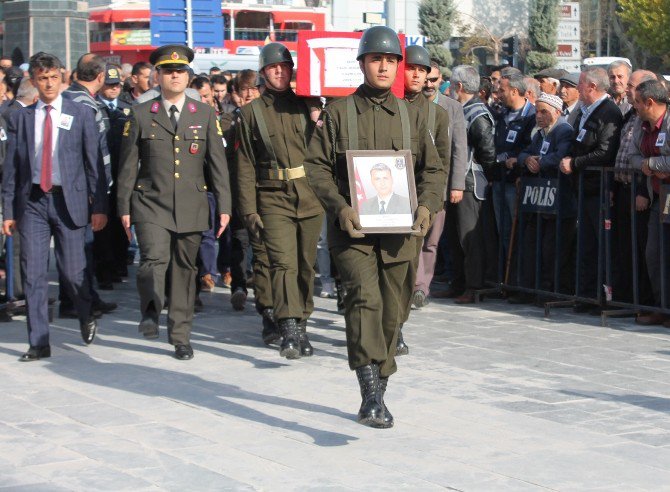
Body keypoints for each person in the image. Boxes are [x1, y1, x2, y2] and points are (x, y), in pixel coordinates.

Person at [305, 26, 444, 428]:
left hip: (401, 233)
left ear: (398, 67)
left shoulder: (413, 115)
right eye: (376, 59)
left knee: (392, 311)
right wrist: (340, 207)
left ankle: (379, 391)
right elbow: (316, 166)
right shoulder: (338, 111)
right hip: (354, 232)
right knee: (364, 301)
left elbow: (432, 170)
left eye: (390, 61)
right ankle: (369, 394)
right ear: (363, 64)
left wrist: (427, 207)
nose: (383, 67)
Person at [117, 44, 231, 360]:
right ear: (158, 75)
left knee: (184, 269)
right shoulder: (140, 114)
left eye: (180, 71)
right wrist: (123, 208)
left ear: (188, 76)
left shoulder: (205, 114)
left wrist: (224, 206)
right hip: (150, 203)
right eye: (169, 71)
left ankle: (180, 335)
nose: (175, 76)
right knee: (153, 262)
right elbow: (128, 166)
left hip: (192, 203)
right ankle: (151, 308)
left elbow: (217, 164)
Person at [2, 52, 108, 361]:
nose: (48, 84)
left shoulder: (80, 113)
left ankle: (86, 311)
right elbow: (12, 168)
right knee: (33, 273)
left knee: (72, 272)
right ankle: (38, 341)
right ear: (33, 81)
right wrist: (8, 211)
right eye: (42, 78)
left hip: (69, 200)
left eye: (53, 78)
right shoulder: (20, 117)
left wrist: (99, 205)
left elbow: (94, 164)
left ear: (62, 79)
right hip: (32, 201)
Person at [236, 42, 324, 358]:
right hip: (272, 198)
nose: (279, 71)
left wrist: (319, 113)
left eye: (285, 66)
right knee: (282, 263)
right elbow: (244, 164)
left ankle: (301, 324)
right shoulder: (250, 113)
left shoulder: (307, 105)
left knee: (304, 265)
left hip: (309, 196)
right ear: (263, 72)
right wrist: (248, 210)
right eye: (273, 67)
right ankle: (287, 326)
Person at [397, 45, 451, 356]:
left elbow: (441, 162)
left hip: (419, 199)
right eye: (411, 68)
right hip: (388, 196)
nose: (417, 75)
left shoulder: (437, 115)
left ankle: (397, 325)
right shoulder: (390, 105)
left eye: (422, 70)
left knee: (406, 265)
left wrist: (432, 201)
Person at [559, 67, 623, 313]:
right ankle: (585, 295)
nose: (577, 88)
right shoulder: (585, 111)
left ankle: (602, 297)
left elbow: (604, 152)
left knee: (601, 246)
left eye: (581, 84)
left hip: (599, 189)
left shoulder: (609, 112)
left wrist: (575, 163)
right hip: (583, 188)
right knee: (586, 246)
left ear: (592, 87)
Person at [513, 93, 576, 303]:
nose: (538, 116)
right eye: (537, 111)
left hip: (559, 199)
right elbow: (524, 152)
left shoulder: (564, 130)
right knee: (533, 245)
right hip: (539, 199)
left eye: (544, 112)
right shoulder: (539, 133)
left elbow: (561, 155)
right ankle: (531, 288)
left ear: (557, 113)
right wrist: (528, 159)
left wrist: (541, 162)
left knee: (553, 249)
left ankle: (552, 291)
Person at [443, 64, 496, 304]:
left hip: (471, 182)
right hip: (456, 180)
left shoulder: (477, 113)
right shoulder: (460, 110)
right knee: (454, 237)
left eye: (452, 85)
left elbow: (487, 151)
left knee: (469, 238)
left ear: (459, 87)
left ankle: (474, 286)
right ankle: (458, 283)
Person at [612, 70, 657, 309]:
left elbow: (647, 155)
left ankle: (646, 301)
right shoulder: (630, 114)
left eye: (631, 85)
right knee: (624, 246)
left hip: (642, 189)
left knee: (644, 248)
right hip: (621, 187)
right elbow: (625, 153)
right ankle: (627, 298)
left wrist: (641, 189)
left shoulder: (649, 117)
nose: (627, 88)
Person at [629, 80, 670, 325]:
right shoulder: (640, 124)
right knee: (654, 254)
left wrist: (652, 164)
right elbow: (632, 156)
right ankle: (661, 307)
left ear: (650, 102)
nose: (634, 106)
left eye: (637, 102)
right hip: (659, 197)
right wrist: (649, 166)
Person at [492, 73, 536, 260]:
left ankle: (520, 279)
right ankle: (506, 279)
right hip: (499, 181)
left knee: (519, 232)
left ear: (515, 91)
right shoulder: (501, 115)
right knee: (504, 231)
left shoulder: (532, 116)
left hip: (517, 183)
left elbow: (531, 147)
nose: (498, 93)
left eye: (502, 90)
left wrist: (516, 160)